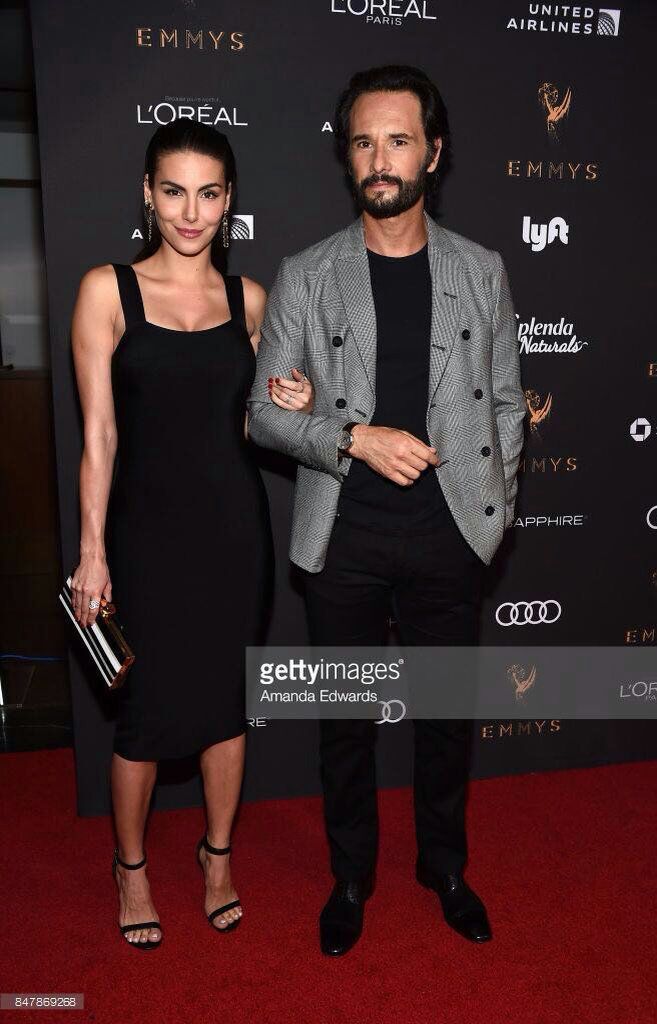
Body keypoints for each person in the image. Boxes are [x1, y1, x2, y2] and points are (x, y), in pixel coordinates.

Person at [247, 65, 525, 956]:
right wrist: (353, 435)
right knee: (345, 729)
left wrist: (494, 507)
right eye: (364, 140)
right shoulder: (305, 273)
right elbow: (263, 412)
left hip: (449, 533)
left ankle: (443, 865)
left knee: (445, 724)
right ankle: (350, 875)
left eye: (398, 139)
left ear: (432, 154)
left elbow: (510, 406)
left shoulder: (480, 272)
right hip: (347, 533)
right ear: (346, 155)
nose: (380, 158)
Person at [69, 119, 313, 950]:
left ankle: (216, 858)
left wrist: (294, 405)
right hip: (140, 538)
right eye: (173, 190)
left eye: (208, 194)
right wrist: (92, 552)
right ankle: (130, 867)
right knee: (140, 716)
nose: (189, 211)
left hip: (230, 537)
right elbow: (98, 436)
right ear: (147, 192)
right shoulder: (106, 290)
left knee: (223, 710)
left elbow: (259, 430)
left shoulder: (250, 302)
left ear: (228, 202)